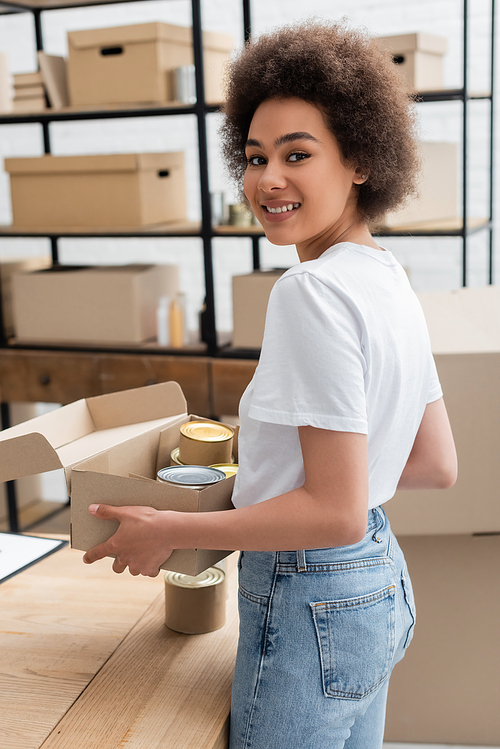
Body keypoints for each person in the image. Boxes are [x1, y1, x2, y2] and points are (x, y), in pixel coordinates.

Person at [83, 20, 458, 749]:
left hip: (309, 592)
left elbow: (335, 510)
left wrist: (174, 529)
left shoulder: (309, 292)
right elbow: (434, 463)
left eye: (298, 154)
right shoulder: (388, 278)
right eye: (255, 157)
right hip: (378, 584)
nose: (268, 179)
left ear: (360, 160)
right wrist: (290, 483)